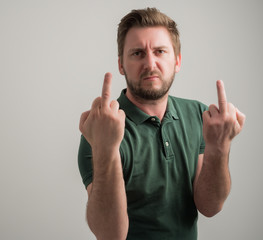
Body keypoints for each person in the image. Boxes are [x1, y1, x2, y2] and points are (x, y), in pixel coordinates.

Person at [78, 7, 245, 240]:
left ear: (177, 61)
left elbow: (210, 206)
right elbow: (110, 235)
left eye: (160, 51)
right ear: (121, 65)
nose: (150, 63)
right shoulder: (100, 128)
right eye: (137, 53)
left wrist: (220, 147)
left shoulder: (199, 114)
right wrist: (106, 150)